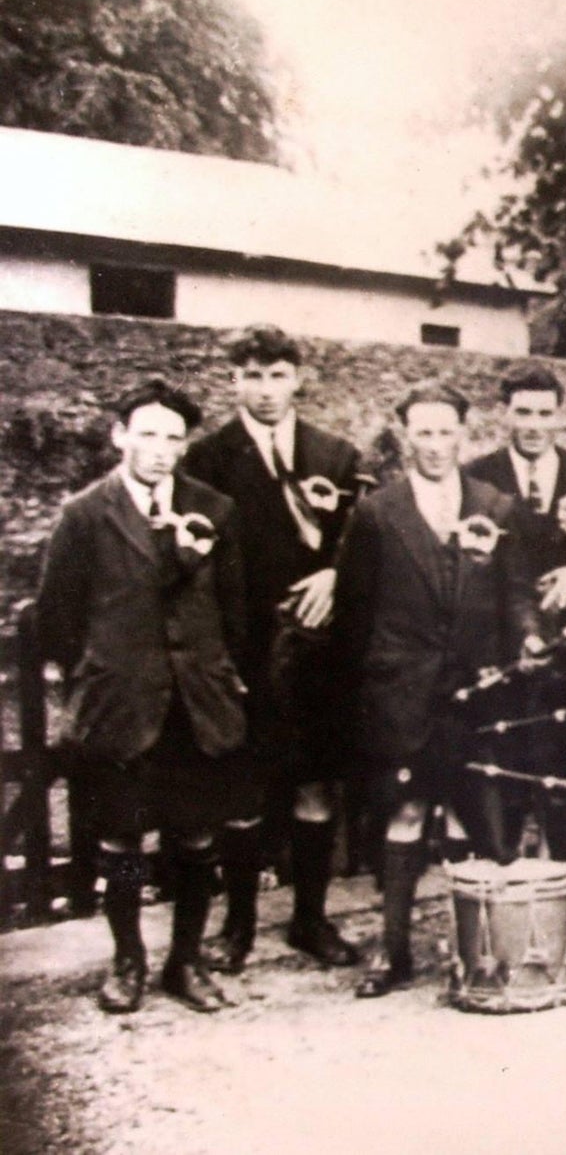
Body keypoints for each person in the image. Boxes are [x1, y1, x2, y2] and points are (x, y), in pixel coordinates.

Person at [37, 380, 247, 1013]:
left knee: (194, 840)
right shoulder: (84, 514)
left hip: (193, 707)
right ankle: (128, 958)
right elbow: (57, 616)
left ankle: (186, 961)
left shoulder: (214, 508)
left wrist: (215, 675)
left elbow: (234, 611)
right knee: (123, 842)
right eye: (147, 433)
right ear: (120, 435)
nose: (160, 449)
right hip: (123, 707)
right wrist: (103, 675)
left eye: (174, 437)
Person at [333, 381, 535, 998]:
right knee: (406, 812)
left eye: (447, 431)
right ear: (404, 436)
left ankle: (497, 950)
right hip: (404, 694)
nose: (436, 445)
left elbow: (517, 591)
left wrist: (527, 636)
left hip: (479, 693)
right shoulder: (377, 513)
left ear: (464, 434)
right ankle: (392, 954)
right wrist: (374, 688)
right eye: (423, 431)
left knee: (490, 822)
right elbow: (354, 612)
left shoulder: (496, 506)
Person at [181, 327, 362, 973]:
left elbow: (361, 541)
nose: (264, 390)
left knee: (316, 789)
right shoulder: (204, 461)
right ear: (234, 380)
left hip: (315, 653)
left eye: (277, 375)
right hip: (242, 648)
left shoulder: (335, 455)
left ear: (297, 379)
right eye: (252, 375)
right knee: (244, 792)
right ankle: (238, 928)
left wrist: (337, 574)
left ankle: (311, 922)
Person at [465, 365, 566, 863]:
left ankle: (564, 885)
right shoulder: (477, 477)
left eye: (544, 413)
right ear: (505, 412)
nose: (533, 424)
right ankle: (508, 893)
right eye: (522, 412)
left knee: (563, 777)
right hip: (504, 650)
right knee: (506, 775)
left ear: (559, 416)